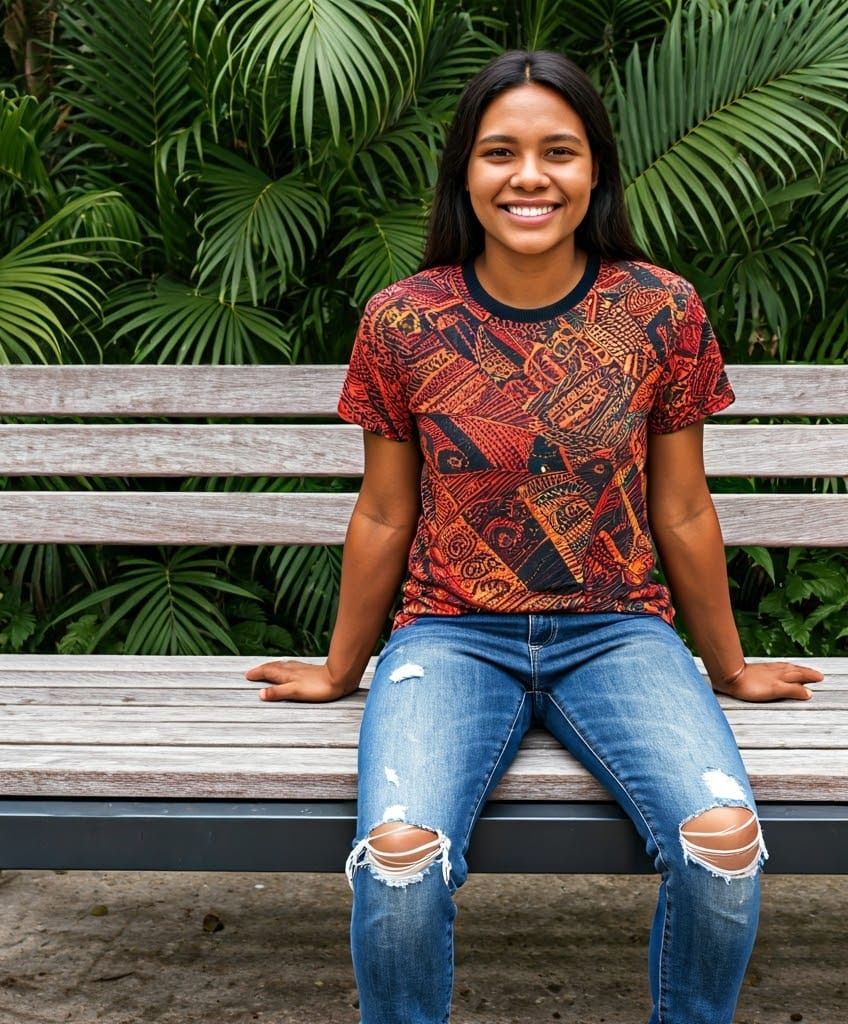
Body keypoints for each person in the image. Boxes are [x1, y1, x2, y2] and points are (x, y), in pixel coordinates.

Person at [245, 49, 824, 1024]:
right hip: (448, 636)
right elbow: (383, 510)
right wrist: (342, 668)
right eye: (499, 152)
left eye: (558, 151)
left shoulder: (659, 309)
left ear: (594, 169)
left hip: (619, 631)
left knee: (723, 845)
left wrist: (728, 666)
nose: (529, 177)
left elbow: (683, 506)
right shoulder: (404, 321)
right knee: (398, 862)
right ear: (464, 174)